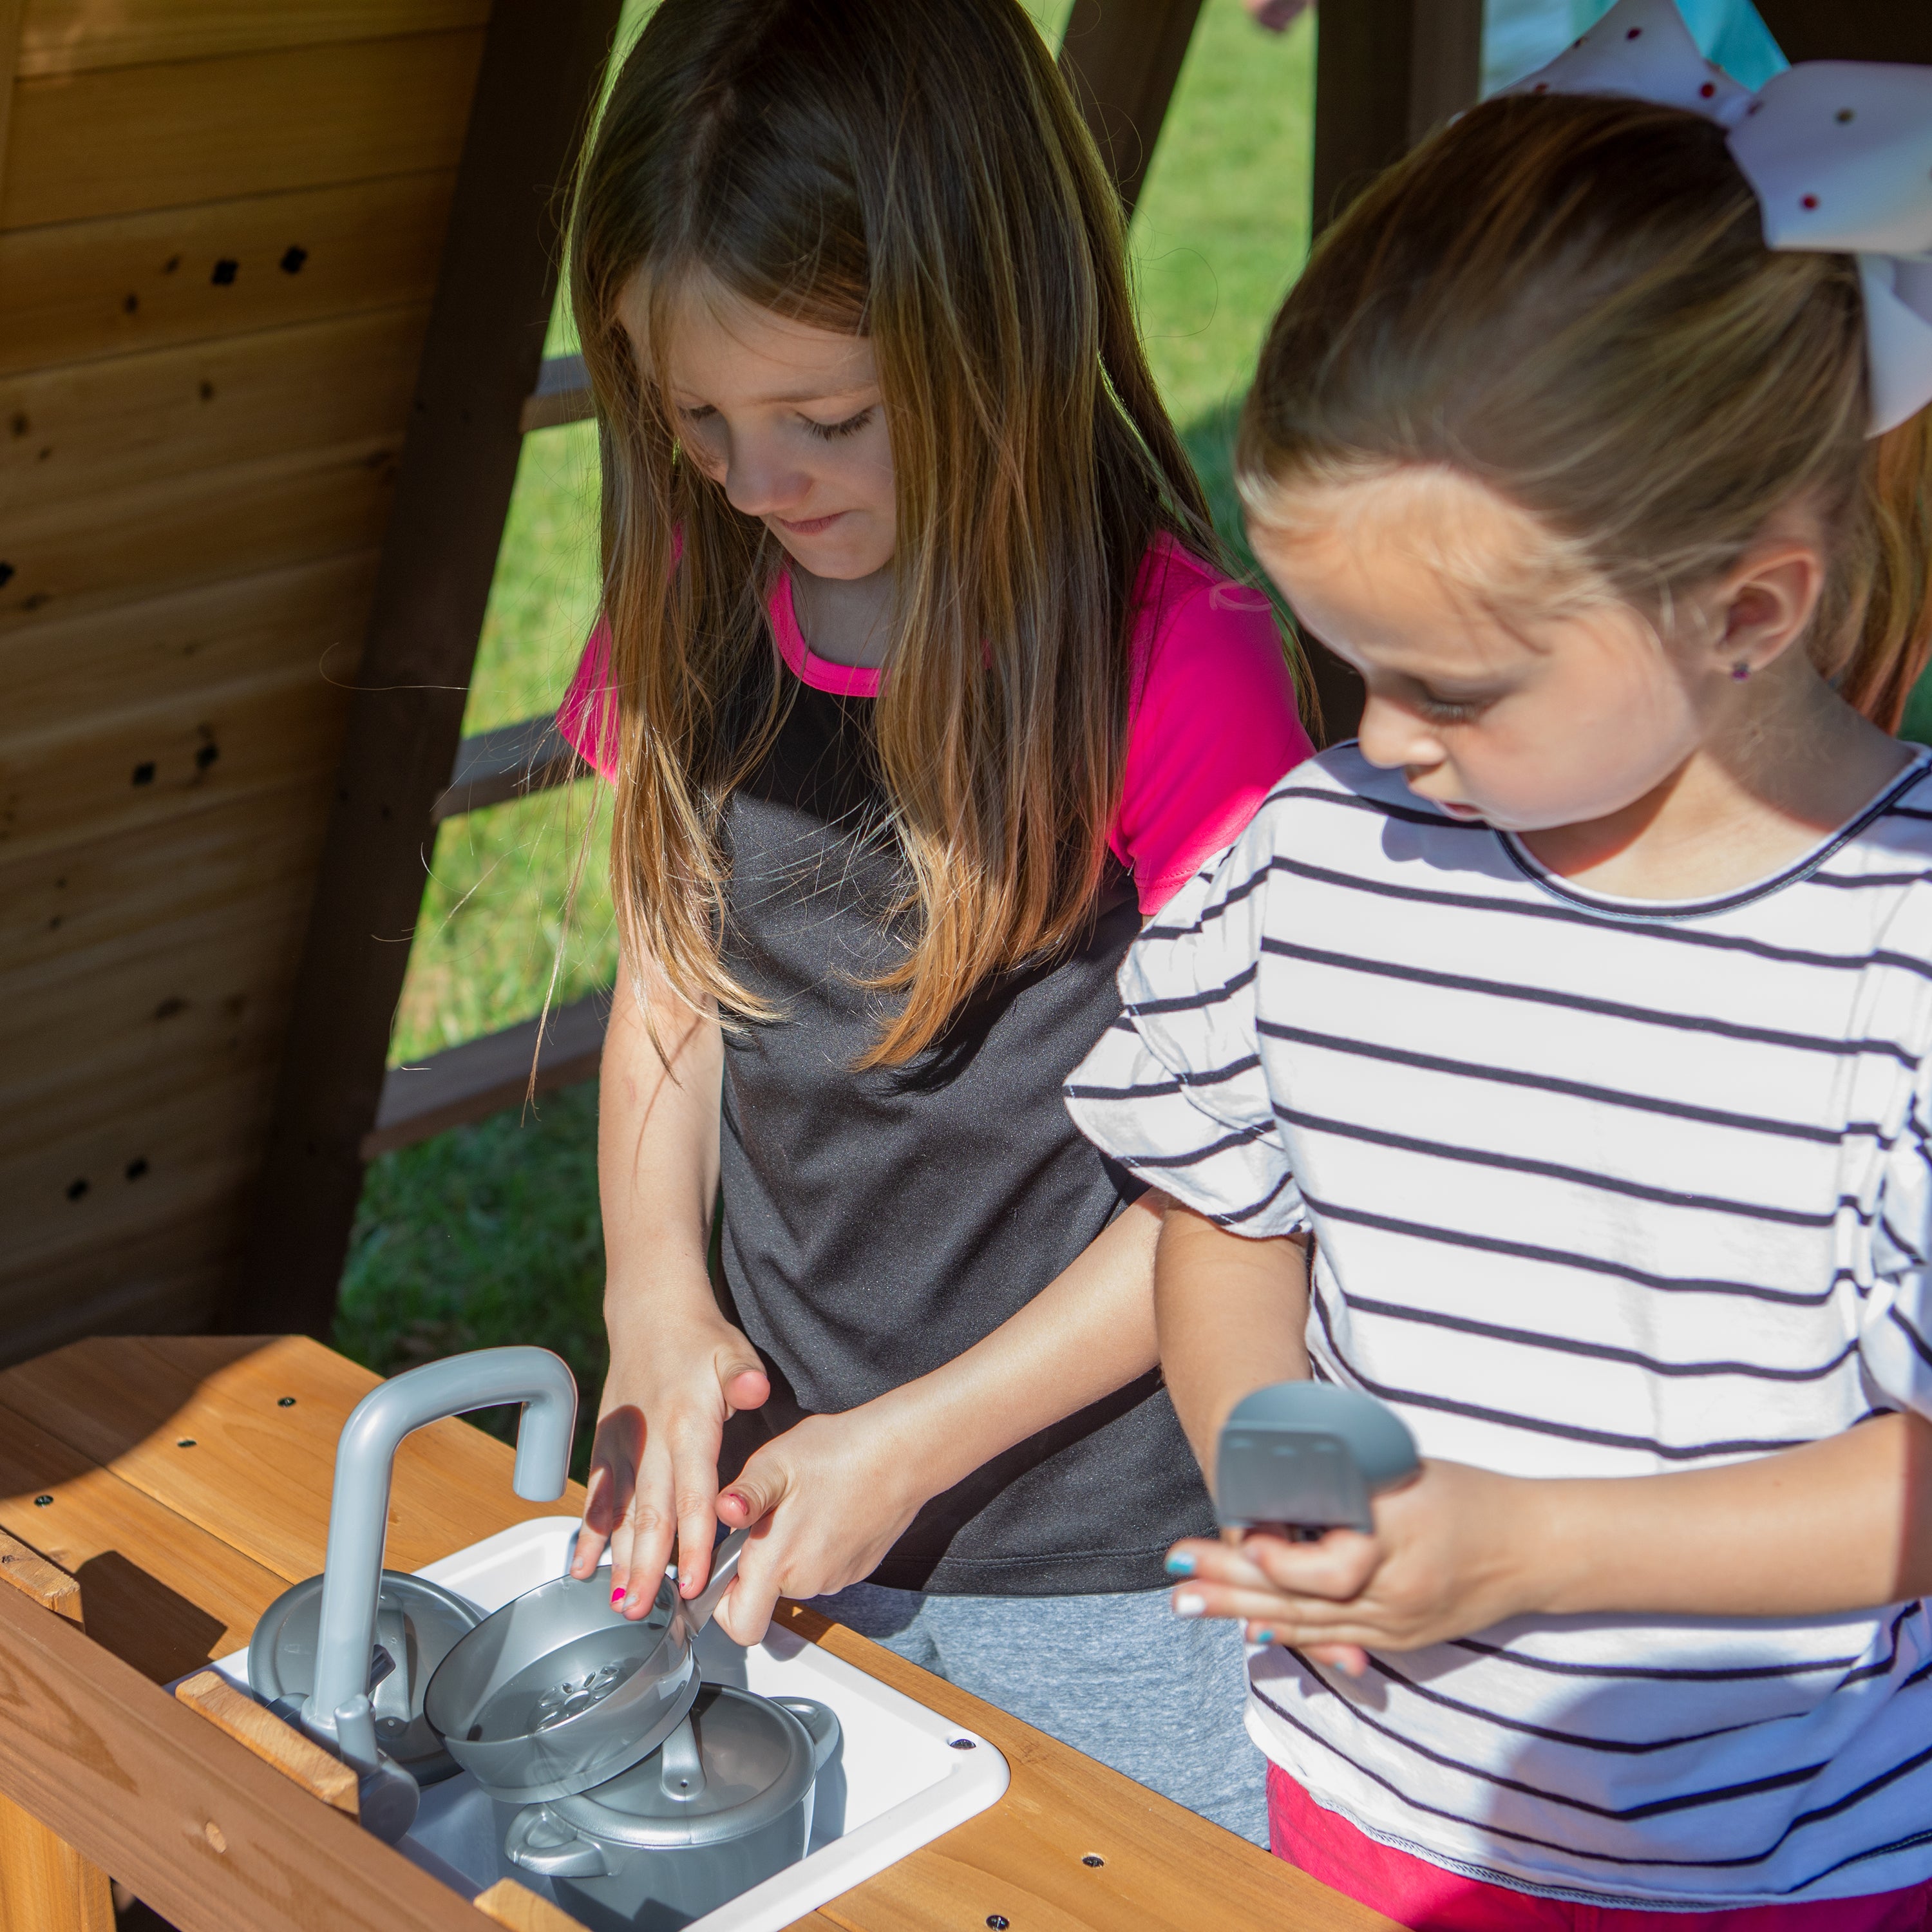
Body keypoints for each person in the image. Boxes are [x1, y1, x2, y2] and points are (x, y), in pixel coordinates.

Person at [1066, 0, 1932, 1917]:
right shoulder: (1322, 868)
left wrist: (1529, 1550)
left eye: (1447, 685)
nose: (1376, 740)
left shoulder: (1903, 962)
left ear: (1748, 610)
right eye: (1350, 665)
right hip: (1359, 1812)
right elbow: (1230, 1219)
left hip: (1794, 1873)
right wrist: (1263, 1468)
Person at [551, 0, 1311, 1841]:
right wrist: (655, 1284)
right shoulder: (696, 587)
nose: (752, 480)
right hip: (796, 1499)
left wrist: (919, 1440)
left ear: (997, 328)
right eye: (696, 419)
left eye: (822, 418)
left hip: (1118, 1559)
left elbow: (1245, 1169)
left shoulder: (1175, 667)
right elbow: (676, 977)